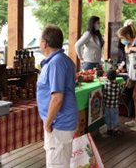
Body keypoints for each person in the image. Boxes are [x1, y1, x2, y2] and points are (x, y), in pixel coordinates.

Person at [37, 25, 79, 168]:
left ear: (45, 43)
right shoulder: (62, 59)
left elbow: (57, 98)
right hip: (61, 121)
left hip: (58, 123)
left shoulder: (56, 63)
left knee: (57, 164)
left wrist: (47, 123)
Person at [103, 69, 125, 136]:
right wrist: (121, 86)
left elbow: (104, 93)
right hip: (114, 105)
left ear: (107, 77)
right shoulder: (117, 85)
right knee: (115, 117)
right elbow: (120, 93)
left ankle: (109, 128)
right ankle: (115, 129)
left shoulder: (106, 84)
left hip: (106, 104)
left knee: (108, 116)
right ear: (115, 77)